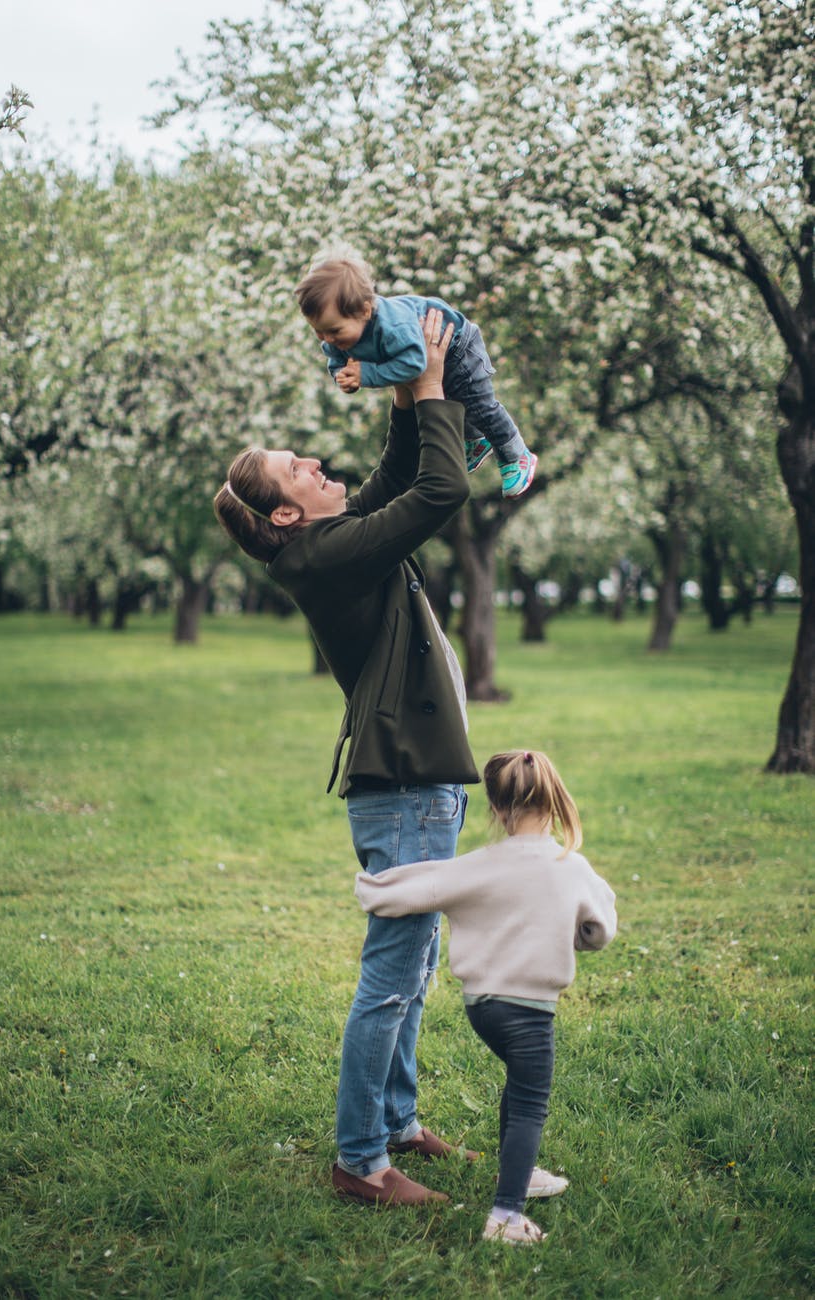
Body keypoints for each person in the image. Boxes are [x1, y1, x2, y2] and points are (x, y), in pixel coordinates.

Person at [214, 310, 480, 1207]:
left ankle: (397, 1123)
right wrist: (436, 392)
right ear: (289, 512)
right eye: (302, 469)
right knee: (390, 978)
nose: (320, 466)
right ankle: (360, 1159)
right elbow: (440, 491)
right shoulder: (329, 558)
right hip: (402, 790)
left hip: (421, 783)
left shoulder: (333, 541)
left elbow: (402, 472)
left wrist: (408, 383)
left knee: (414, 970)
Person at [355, 748, 618, 1244]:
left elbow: (414, 888)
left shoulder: (477, 866)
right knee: (528, 1102)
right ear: (557, 802)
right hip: (531, 1012)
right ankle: (506, 1216)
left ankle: (516, 1172)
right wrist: (576, 933)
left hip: (483, 1007)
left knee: (519, 1090)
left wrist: (371, 887)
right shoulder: (572, 866)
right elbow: (600, 930)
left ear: (496, 810)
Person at [295, 254, 538, 500]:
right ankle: (476, 441)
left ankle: (515, 455)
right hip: (431, 353)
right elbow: (336, 362)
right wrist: (343, 378)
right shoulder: (336, 336)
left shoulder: (394, 328)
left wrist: (366, 374)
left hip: (458, 346)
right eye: (318, 331)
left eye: (333, 331)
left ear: (365, 311)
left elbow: (414, 365)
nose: (326, 339)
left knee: (478, 405)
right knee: (452, 401)